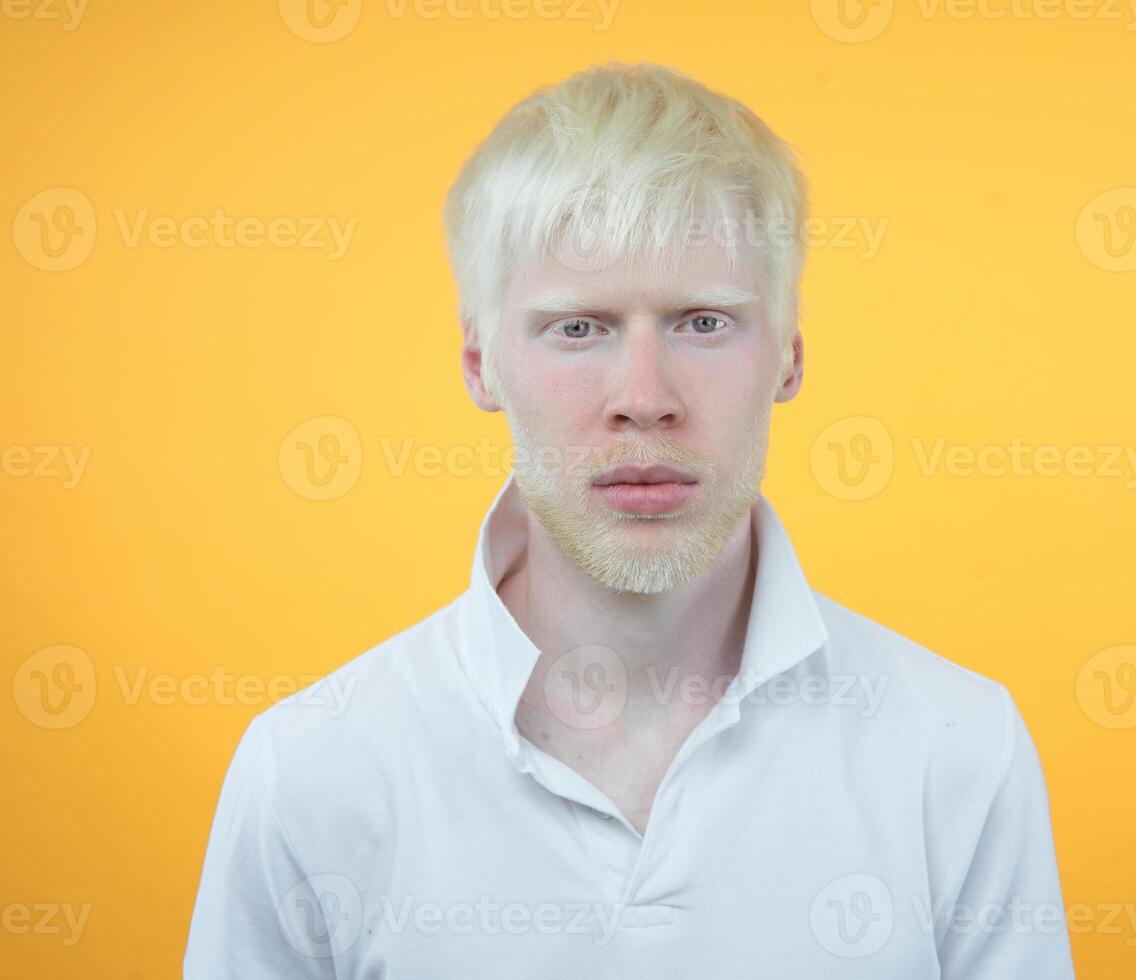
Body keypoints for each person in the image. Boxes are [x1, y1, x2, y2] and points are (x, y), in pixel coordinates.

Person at [183, 60, 1074, 979]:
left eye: (702, 322)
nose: (644, 400)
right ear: (480, 364)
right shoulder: (314, 769)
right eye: (579, 328)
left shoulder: (955, 750)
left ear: (791, 357)